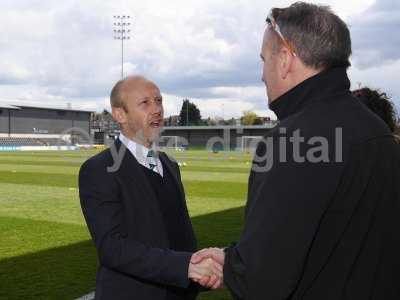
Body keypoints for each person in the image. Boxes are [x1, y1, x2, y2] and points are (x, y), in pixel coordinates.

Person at [192, 2, 400, 299]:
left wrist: (232, 268)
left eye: (264, 60)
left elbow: (263, 278)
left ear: (286, 59)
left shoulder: (292, 140)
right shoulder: (377, 130)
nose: (262, 74)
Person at [79, 76, 222, 300]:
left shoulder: (170, 165)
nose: (157, 110)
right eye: (145, 103)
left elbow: (179, 234)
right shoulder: (99, 169)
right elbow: (112, 248)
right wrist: (185, 267)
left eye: (159, 101)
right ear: (120, 115)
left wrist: (198, 270)